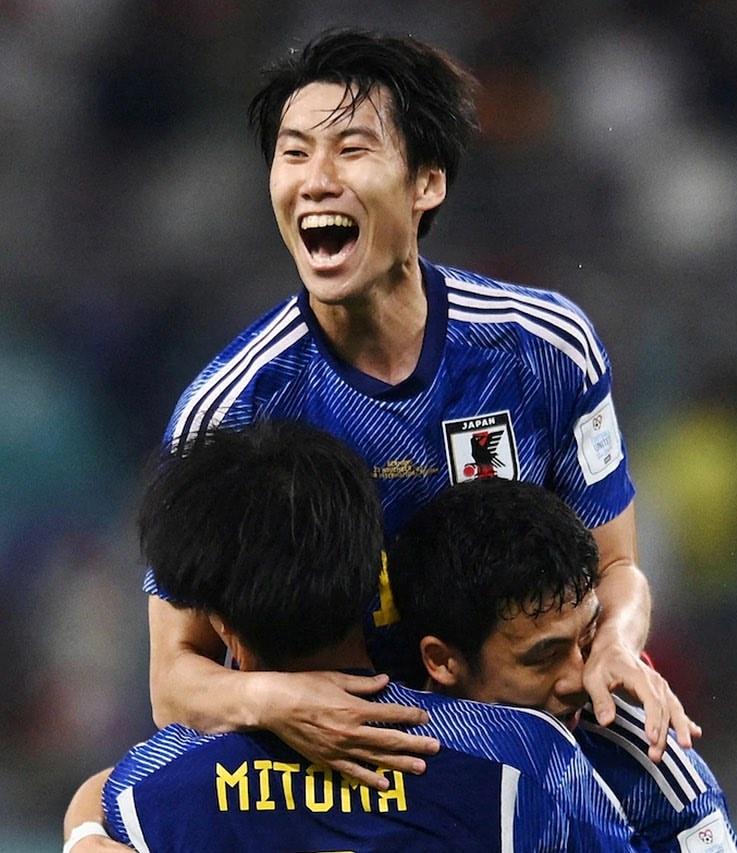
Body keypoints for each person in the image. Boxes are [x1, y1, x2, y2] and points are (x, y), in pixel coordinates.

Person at [148, 27, 699, 789]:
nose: (315, 179)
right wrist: (279, 699)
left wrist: (614, 643)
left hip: (521, 753)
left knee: (662, 758)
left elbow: (617, 566)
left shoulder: (542, 349)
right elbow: (174, 677)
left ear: (426, 182)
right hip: (331, 769)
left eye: (351, 149)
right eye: (294, 152)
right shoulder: (232, 409)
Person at [65, 420, 640, 852]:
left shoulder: (151, 791)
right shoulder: (527, 760)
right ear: (374, 586)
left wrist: (85, 831)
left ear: (224, 629)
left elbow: (104, 793)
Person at [387, 478, 737, 853]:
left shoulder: (650, 776)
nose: (580, 679)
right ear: (443, 661)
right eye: (544, 657)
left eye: (587, 639)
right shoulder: (362, 756)